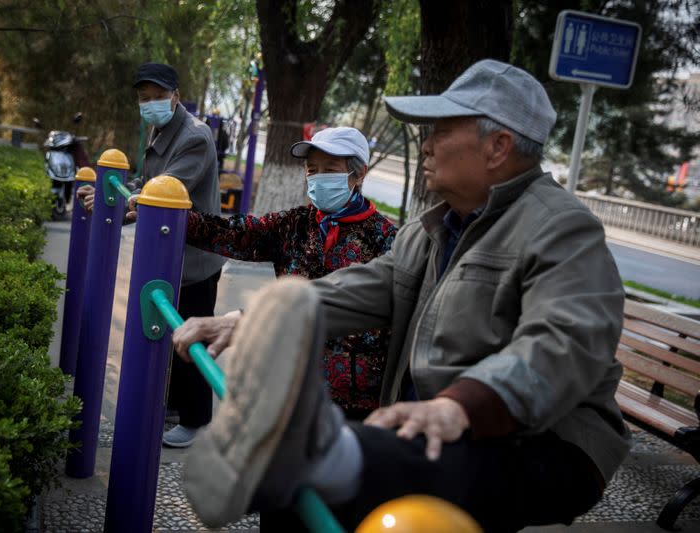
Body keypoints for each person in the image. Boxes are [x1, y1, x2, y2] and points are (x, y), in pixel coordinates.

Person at [175, 60, 630, 532]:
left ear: (498, 146)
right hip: (434, 425)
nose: (427, 146)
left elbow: (564, 341)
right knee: (301, 497)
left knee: (346, 467)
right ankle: (300, 457)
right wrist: (257, 320)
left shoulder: (560, 227)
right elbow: (371, 285)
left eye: (440, 132)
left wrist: (459, 405)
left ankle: (309, 450)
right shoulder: (434, 226)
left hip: (543, 438)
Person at [176, 126, 397, 420]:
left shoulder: (386, 238)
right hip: (290, 384)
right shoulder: (294, 224)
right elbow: (235, 233)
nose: (318, 177)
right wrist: (170, 216)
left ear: (358, 174)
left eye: (330, 169)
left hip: (356, 404)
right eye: (312, 170)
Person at [77, 62, 225, 448]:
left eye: (159, 97)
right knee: (173, 330)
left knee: (192, 334)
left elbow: (167, 190)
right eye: (145, 99)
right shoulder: (160, 129)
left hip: (194, 258)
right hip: (168, 251)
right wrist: (113, 202)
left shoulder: (195, 137)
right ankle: (176, 406)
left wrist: (125, 207)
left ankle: (194, 419)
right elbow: (147, 185)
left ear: (176, 96)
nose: (151, 104)